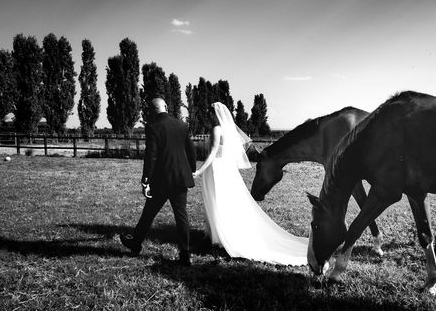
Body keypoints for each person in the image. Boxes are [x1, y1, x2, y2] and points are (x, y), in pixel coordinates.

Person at [193, 102, 308, 266]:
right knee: (230, 202)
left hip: (216, 168)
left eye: (209, 114)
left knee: (217, 200)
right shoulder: (229, 129)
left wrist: (199, 170)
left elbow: (212, 153)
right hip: (228, 169)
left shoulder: (216, 129)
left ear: (214, 114)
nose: (208, 117)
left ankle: (219, 237)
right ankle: (225, 232)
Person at [120, 97, 197, 266]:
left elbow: (151, 155)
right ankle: (185, 255)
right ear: (166, 107)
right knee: (181, 215)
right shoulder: (182, 125)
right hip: (180, 178)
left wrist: (145, 179)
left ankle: (135, 244)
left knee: (148, 213)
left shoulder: (153, 127)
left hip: (161, 180)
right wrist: (192, 168)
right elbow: (190, 149)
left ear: (152, 111)